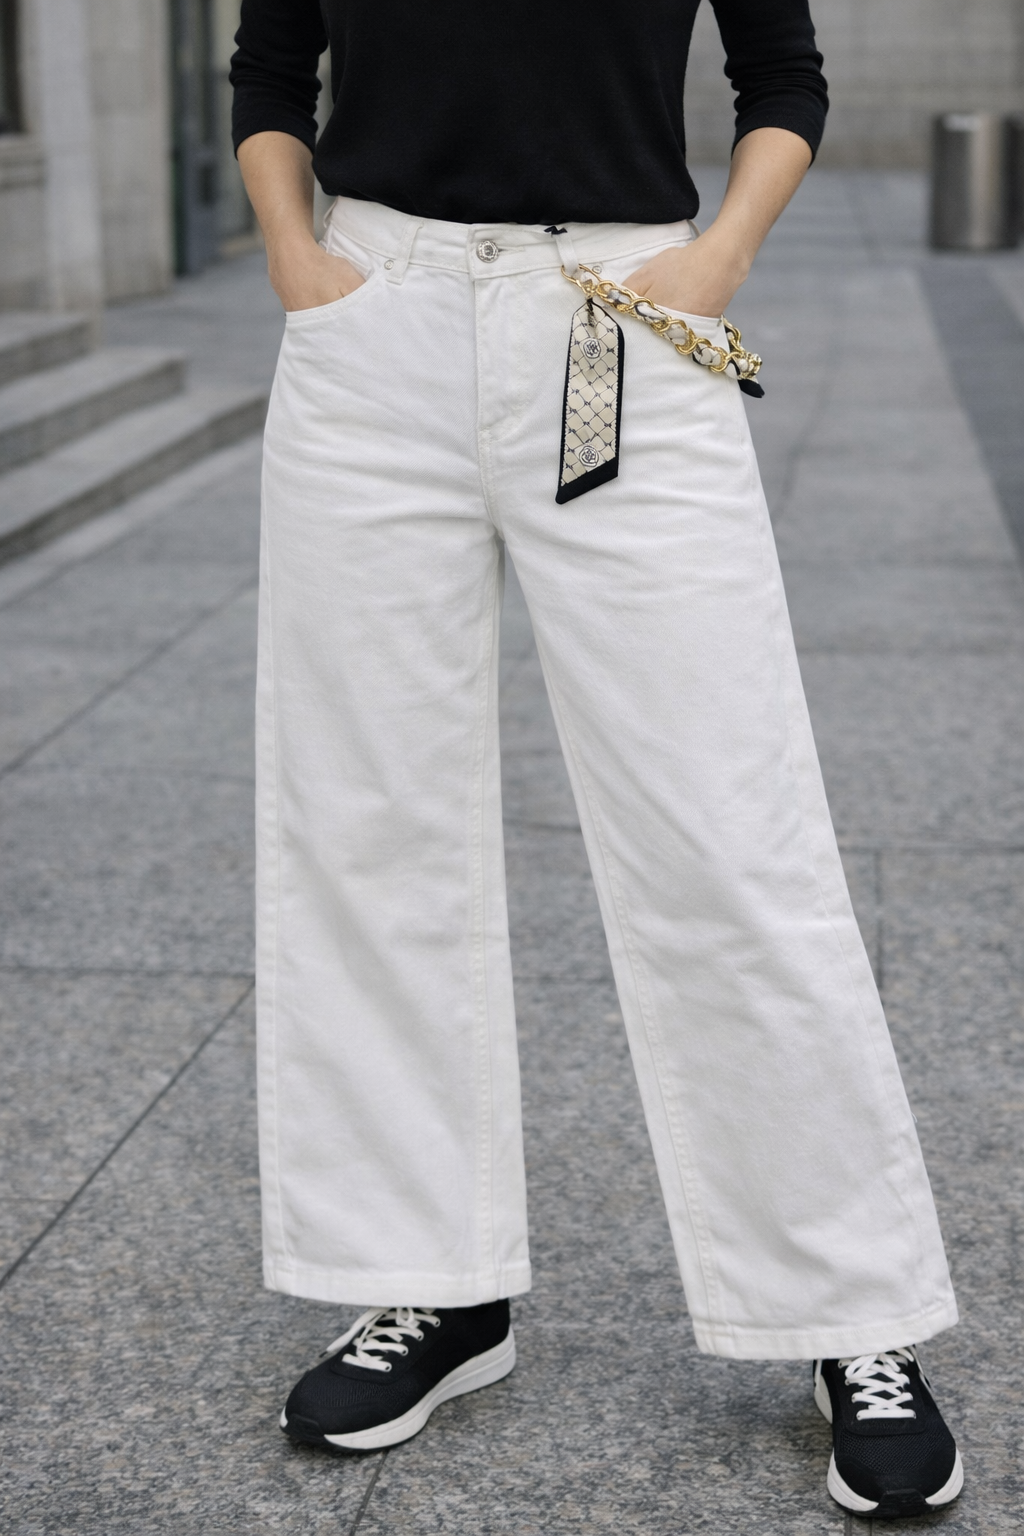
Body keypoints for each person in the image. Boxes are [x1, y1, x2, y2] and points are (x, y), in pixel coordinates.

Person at [230, 1, 963, 1518]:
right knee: (368, 822)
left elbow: (784, 78)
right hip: (375, 330)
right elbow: (269, 71)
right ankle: (433, 1279)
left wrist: (719, 256)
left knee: (725, 828)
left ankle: (852, 1308)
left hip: (616, 318)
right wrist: (298, 260)